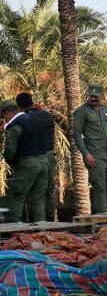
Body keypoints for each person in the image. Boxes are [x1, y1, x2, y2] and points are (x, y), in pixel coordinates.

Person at [73, 84, 107, 214]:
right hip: (94, 155)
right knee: (100, 188)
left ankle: (99, 211)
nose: (93, 99)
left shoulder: (104, 110)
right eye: (91, 96)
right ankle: (103, 218)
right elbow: (77, 134)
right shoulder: (81, 111)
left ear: (101, 97)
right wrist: (86, 153)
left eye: (96, 97)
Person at [2, 98, 50, 223]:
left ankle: (15, 227)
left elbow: (10, 151)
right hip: (44, 161)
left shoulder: (14, 127)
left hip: (28, 163)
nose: (4, 120)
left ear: (6, 114)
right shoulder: (34, 119)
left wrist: (14, 165)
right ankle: (42, 227)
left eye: (3, 117)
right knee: (38, 197)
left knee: (17, 195)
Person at [17, 93, 55, 222]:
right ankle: (49, 221)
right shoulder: (47, 115)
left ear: (19, 106)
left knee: (32, 194)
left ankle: (34, 222)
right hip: (50, 155)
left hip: (34, 157)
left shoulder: (26, 119)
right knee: (48, 192)